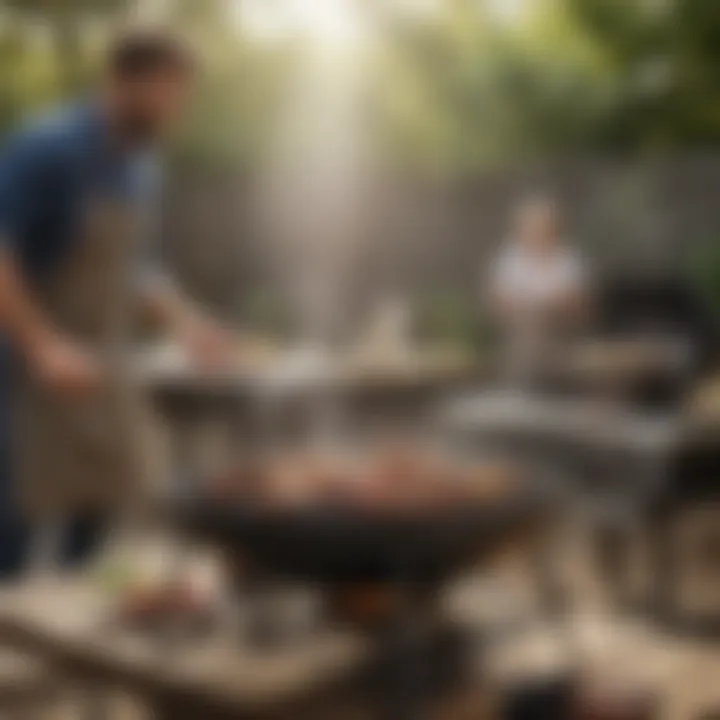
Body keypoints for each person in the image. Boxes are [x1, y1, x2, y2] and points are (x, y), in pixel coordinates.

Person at [0, 28, 233, 577]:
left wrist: (187, 324)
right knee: (11, 532)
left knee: (100, 511)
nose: (178, 109)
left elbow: (132, 268)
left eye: (182, 96)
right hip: (20, 372)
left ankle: (70, 644)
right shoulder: (48, 148)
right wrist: (43, 347)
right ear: (125, 81)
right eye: (170, 93)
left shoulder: (140, 165)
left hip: (97, 367)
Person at [487, 195, 588, 385]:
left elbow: (577, 300)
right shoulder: (510, 257)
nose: (537, 231)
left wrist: (541, 306)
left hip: (561, 324)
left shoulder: (568, 257)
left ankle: (536, 381)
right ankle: (527, 383)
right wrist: (533, 307)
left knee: (540, 328)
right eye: (532, 226)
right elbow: (500, 300)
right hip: (522, 325)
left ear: (554, 229)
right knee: (530, 330)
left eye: (543, 226)